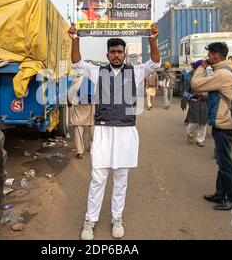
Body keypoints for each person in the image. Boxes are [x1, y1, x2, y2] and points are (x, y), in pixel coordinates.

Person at [68, 23, 160, 240]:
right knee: (98, 177)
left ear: (124, 53)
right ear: (107, 54)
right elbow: (77, 63)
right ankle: (90, 220)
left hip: (126, 132)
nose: (116, 55)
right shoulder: (97, 71)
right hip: (102, 131)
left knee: (121, 178)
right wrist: (75, 39)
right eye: (113, 52)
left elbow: (154, 63)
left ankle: (116, 218)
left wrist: (153, 39)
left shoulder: (135, 72)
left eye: (120, 52)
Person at [191, 42, 232, 211]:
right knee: (222, 161)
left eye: (210, 55)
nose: (208, 58)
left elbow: (196, 84)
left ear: (216, 56)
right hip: (230, 122)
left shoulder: (221, 74)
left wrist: (202, 67)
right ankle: (220, 193)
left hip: (224, 125)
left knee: (225, 163)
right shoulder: (231, 70)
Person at [181, 60, 208, 148]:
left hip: (205, 103)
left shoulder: (208, 77)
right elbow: (185, 93)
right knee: (194, 122)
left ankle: (200, 140)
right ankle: (190, 134)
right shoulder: (189, 78)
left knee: (203, 123)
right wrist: (192, 97)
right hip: (194, 103)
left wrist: (204, 96)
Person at [68, 75, 95, 159]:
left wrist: (69, 103)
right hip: (92, 105)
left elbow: (70, 93)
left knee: (78, 128)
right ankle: (92, 148)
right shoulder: (94, 79)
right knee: (92, 127)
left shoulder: (76, 80)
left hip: (79, 106)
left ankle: (80, 152)